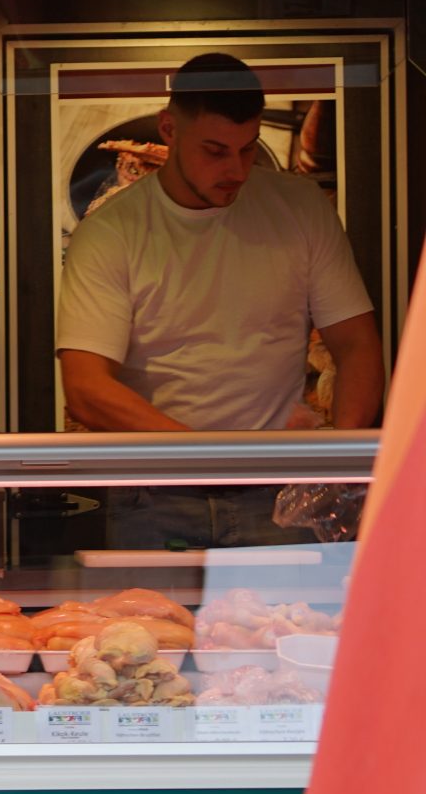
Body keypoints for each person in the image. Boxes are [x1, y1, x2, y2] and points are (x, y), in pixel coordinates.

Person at [56, 53, 385, 545]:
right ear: (169, 129)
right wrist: (205, 455)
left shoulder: (300, 208)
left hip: (278, 489)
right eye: (215, 151)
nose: (236, 169)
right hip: (156, 492)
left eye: (248, 149)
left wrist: (337, 463)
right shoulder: (109, 232)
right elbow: (85, 387)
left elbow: (356, 344)